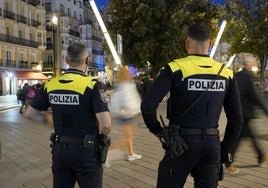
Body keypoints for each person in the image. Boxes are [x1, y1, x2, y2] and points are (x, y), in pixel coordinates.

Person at [141, 23, 243, 187]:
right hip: (211, 144)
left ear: (187, 43)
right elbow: (237, 119)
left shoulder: (175, 68)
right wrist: (224, 151)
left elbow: (147, 106)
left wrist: (158, 131)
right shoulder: (226, 72)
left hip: (180, 143)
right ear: (210, 45)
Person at [23, 42, 112, 188]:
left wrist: (49, 120)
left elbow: (29, 113)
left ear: (67, 60)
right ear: (87, 61)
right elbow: (106, 125)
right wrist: (103, 138)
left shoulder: (51, 84)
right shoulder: (92, 85)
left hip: (60, 151)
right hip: (86, 151)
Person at [225, 53, 268, 174]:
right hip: (245, 114)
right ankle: (228, 163)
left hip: (238, 113)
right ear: (248, 63)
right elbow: (256, 97)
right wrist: (266, 112)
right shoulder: (249, 77)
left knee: (249, 136)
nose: (255, 63)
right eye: (253, 61)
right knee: (240, 139)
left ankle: (261, 157)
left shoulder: (236, 76)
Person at [109, 66, 142, 162]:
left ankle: (131, 154)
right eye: (128, 73)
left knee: (130, 136)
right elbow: (127, 100)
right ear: (125, 75)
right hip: (127, 114)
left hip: (127, 113)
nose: (130, 74)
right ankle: (110, 153)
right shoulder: (125, 86)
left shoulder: (124, 85)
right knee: (129, 136)